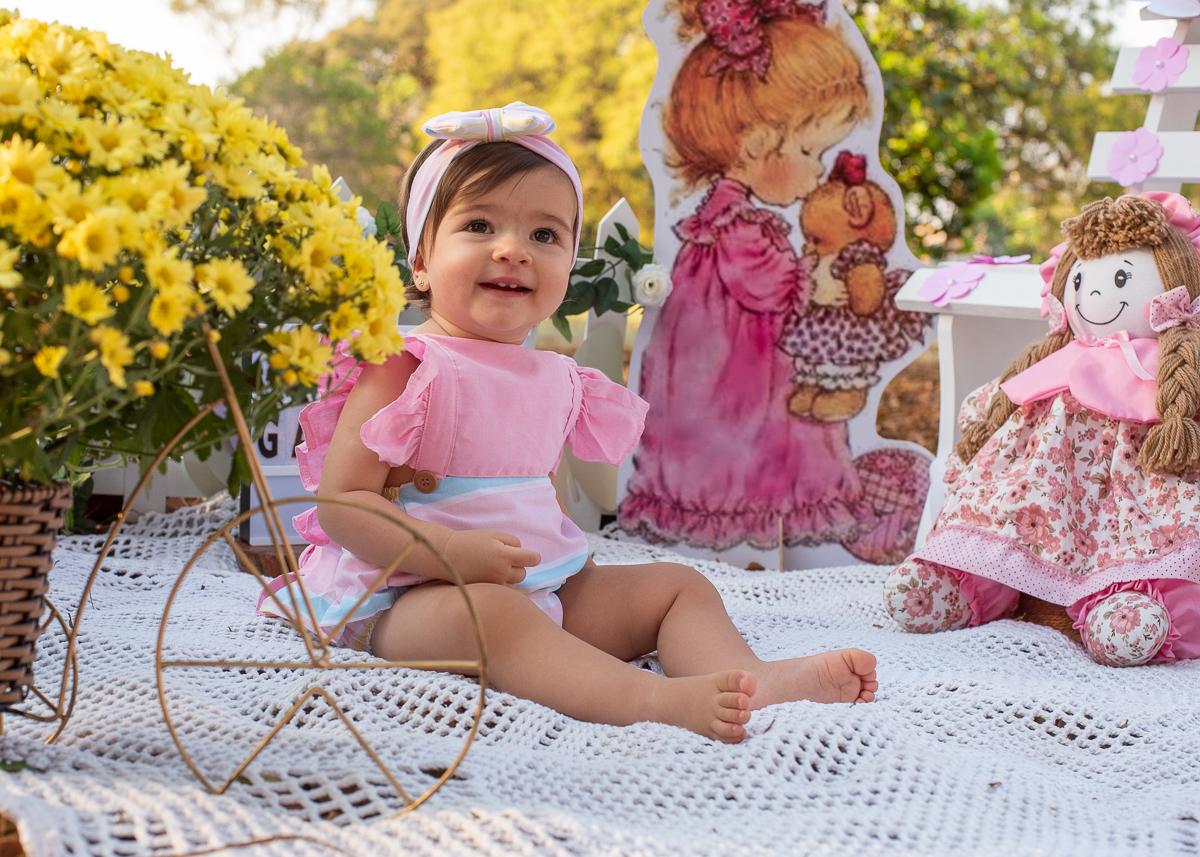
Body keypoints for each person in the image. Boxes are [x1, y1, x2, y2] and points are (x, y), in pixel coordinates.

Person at [260, 102, 878, 743]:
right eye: (478, 225)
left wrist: (571, 577)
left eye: (545, 236)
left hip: (535, 585)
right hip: (408, 596)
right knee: (497, 616)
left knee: (677, 586)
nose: (512, 251)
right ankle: (652, 699)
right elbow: (341, 503)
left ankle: (751, 678)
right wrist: (446, 551)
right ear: (420, 260)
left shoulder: (554, 375)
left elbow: (531, 497)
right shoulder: (408, 366)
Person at [884, 193, 1200, 667]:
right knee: (1001, 506)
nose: (1093, 296)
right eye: (1081, 280)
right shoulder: (1058, 356)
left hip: (1136, 494)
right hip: (1047, 493)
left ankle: (1132, 603)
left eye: (1119, 279)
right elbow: (1008, 395)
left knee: (1145, 542)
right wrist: (981, 418)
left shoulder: (1173, 366)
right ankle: (968, 586)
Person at [618, 0, 878, 552]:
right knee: (763, 437)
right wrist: (815, 278)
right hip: (738, 383)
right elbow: (772, 289)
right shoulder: (736, 227)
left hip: (732, 370)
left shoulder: (723, 220)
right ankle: (738, 518)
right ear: (758, 144)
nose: (816, 173)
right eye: (809, 150)